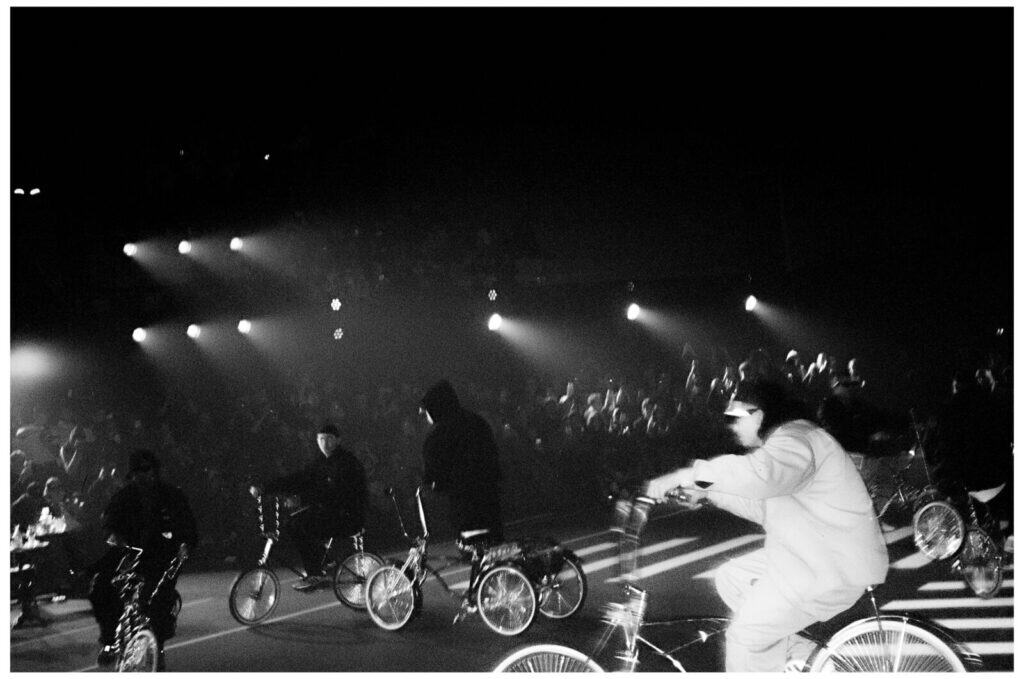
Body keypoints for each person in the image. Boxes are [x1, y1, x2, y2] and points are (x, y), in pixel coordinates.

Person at [644, 379, 888, 672]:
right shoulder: (789, 444)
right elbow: (764, 504)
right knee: (732, 579)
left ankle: (790, 660)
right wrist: (708, 493)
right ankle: (811, 662)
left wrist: (690, 475)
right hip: (816, 554)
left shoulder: (796, 438)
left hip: (829, 565)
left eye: (736, 417)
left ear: (761, 413)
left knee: (745, 637)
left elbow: (760, 475)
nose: (731, 426)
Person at [89, 449, 197, 669]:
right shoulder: (124, 496)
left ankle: (159, 646)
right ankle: (109, 640)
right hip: (129, 552)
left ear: (155, 471)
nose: (144, 475)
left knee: (159, 598)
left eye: (148, 470)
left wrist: (185, 544)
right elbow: (109, 521)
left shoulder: (172, 495)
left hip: (162, 554)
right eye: (139, 471)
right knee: (99, 586)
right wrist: (113, 535)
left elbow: (188, 525)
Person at [249, 423, 367, 592]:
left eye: (329, 439)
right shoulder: (320, 463)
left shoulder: (346, 462)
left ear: (338, 441)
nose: (324, 443)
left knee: (302, 525)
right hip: (330, 512)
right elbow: (298, 479)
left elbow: (334, 493)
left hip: (348, 516)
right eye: (321, 439)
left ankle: (316, 572)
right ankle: (321, 563)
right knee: (291, 523)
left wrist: (301, 499)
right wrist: (265, 488)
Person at [419, 379, 504, 546]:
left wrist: (431, 485)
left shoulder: (437, 436)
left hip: (465, 503)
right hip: (489, 495)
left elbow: (433, 475)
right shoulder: (477, 421)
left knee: (472, 547)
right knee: (495, 548)